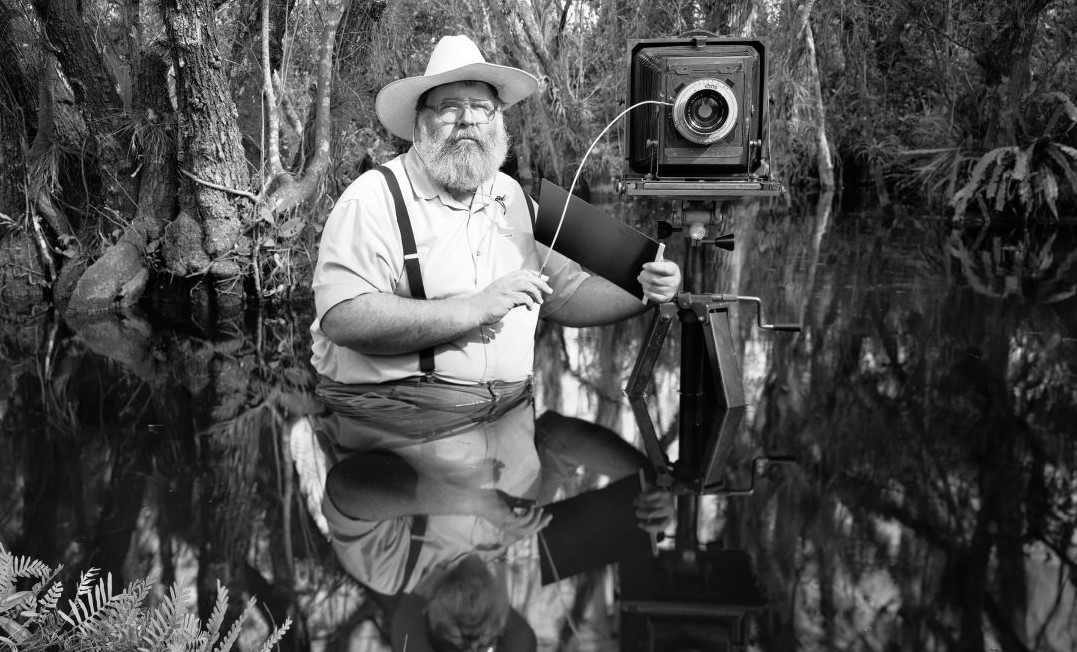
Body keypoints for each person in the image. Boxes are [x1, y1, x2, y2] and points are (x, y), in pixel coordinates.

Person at [309, 33, 681, 453]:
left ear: (498, 120)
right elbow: (342, 318)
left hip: (510, 412)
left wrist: (646, 289)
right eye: (449, 107)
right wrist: (474, 308)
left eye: (482, 108)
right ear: (420, 122)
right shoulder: (373, 198)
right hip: (396, 415)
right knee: (475, 493)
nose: (468, 119)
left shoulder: (515, 196)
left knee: (609, 487)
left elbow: (567, 295)